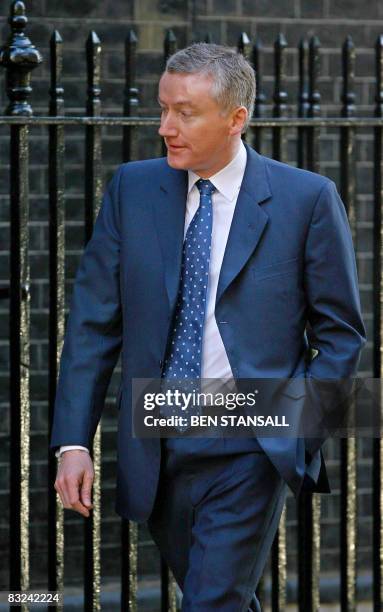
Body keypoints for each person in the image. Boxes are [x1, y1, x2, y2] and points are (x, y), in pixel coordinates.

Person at [50, 43, 366, 611]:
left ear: (236, 118)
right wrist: (74, 441)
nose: (166, 126)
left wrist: (297, 436)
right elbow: (94, 324)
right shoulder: (132, 189)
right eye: (163, 108)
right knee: (216, 597)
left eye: (186, 112)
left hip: (251, 439)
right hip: (159, 436)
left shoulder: (306, 199)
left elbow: (340, 332)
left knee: (212, 602)